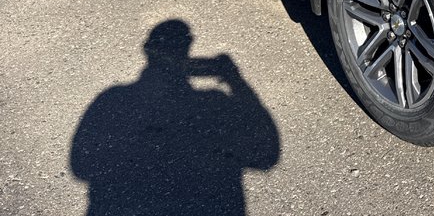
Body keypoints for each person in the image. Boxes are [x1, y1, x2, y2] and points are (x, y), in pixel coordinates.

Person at [70, 20, 280, 215]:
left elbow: (81, 167)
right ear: (188, 50)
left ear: (146, 50)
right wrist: (235, 80)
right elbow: (266, 153)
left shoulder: (113, 99)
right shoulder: (214, 102)